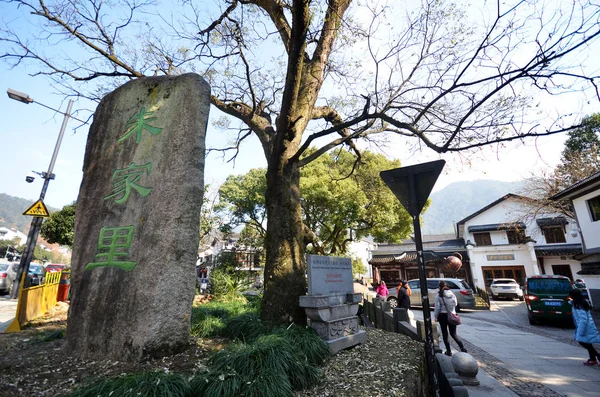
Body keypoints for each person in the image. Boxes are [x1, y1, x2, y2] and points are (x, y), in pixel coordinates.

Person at [433, 280, 467, 356]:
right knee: (453, 333)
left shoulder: (439, 295)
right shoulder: (452, 294)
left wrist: (435, 316)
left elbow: (437, 307)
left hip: (442, 315)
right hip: (452, 314)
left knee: (445, 334)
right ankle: (462, 347)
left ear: (439, 287)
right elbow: (455, 303)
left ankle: (448, 351)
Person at [569, 288, 600, 366]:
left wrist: (580, 331)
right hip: (586, 326)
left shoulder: (578, 305)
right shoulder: (581, 302)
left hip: (585, 327)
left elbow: (583, 319)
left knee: (582, 341)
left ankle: (598, 356)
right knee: (587, 342)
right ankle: (592, 358)